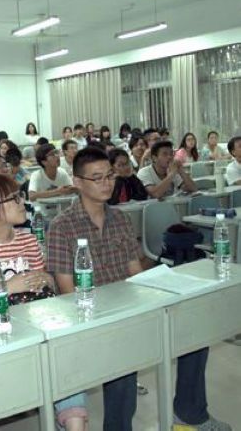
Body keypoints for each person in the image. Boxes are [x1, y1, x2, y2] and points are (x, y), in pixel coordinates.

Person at [47, 147, 231, 431]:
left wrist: (161, 289)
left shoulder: (120, 219)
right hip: (93, 318)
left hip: (131, 308)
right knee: (123, 363)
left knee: (194, 330)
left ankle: (190, 414)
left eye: (110, 175)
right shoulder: (61, 227)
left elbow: (135, 273)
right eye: (97, 178)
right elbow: (68, 292)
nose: (107, 183)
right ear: (78, 182)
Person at [0, 174, 87, 431]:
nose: (22, 203)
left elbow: (45, 286)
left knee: (66, 368)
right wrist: (8, 288)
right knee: (61, 369)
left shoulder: (29, 239)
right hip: (2, 338)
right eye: (13, 199)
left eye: (20, 196)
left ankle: (73, 418)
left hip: (39, 328)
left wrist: (46, 279)